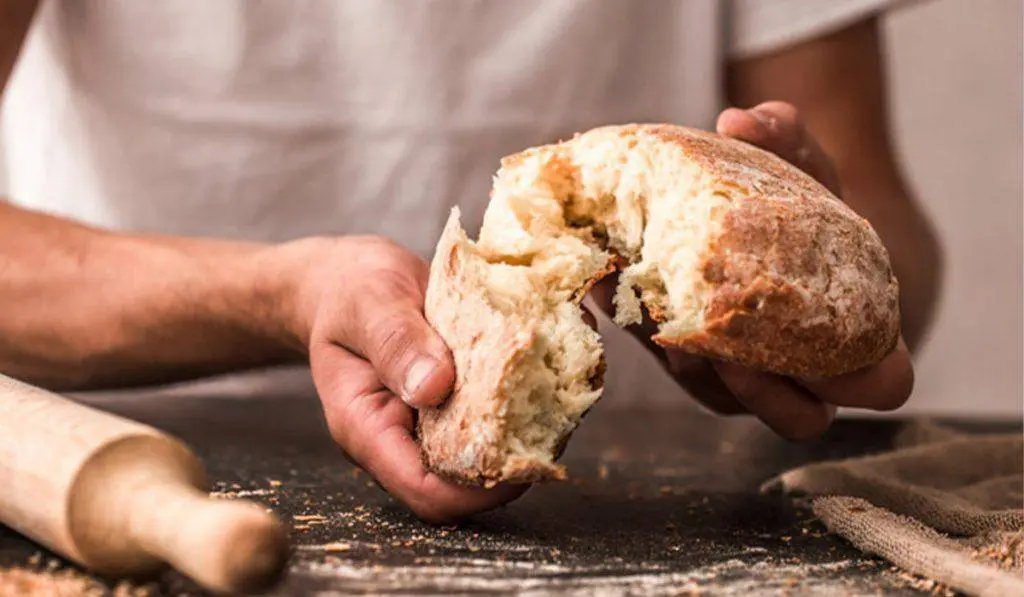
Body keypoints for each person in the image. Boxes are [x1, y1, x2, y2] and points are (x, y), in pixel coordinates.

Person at [0, 1, 940, 522]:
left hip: (656, 496)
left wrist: (806, 265)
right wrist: (280, 296)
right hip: (130, 473)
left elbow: (887, 232)